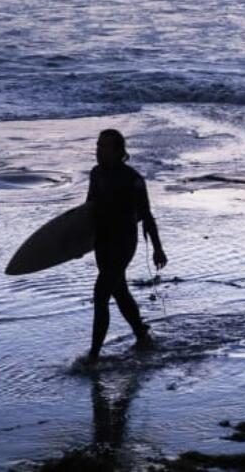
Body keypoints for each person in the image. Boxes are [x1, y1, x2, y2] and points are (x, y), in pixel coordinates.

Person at [85, 128, 167, 362]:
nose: (98, 151)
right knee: (119, 292)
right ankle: (142, 334)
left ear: (119, 151)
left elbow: (147, 215)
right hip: (102, 241)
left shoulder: (133, 179)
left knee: (101, 294)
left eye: (104, 146)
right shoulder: (96, 174)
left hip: (123, 241)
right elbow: (89, 209)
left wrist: (158, 248)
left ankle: (93, 356)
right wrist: (77, 243)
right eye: (97, 145)